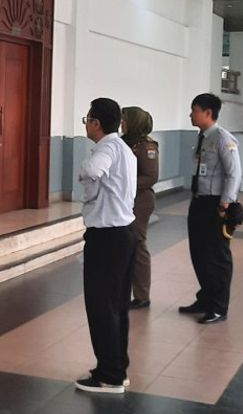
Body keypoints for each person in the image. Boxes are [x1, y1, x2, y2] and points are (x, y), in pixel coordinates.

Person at [74, 98, 137, 395]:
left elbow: (93, 171)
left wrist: (83, 168)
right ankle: (117, 368)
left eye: (87, 119)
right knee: (117, 306)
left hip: (107, 238)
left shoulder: (107, 148)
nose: (86, 124)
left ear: (96, 123)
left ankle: (109, 376)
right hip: (123, 234)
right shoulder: (124, 148)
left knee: (101, 306)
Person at [179, 93, 242, 324]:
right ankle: (205, 299)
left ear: (208, 113)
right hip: (199, 201)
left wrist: (225, 203)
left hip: (216, 204)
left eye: (194, 110)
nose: (191, 115)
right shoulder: (203, 137)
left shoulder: (223, 138)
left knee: (216, 256)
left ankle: (218, 306)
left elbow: (234, 173)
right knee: (199, 253)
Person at [121, 106, 159, 310]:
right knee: (125, 245)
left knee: (137, 244)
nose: (122, 123)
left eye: (125, 120)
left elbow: (151, 177)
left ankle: (142, 295)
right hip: (124, 200)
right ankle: (123, 291)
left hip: (140, 201)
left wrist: (124, 183)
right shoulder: (123, 142)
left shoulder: (146, 146)